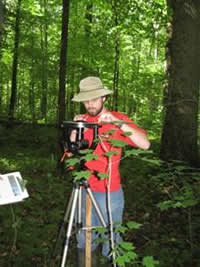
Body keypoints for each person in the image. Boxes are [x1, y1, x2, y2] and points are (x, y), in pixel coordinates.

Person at [71, 76, 150, 266]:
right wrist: (74, 133)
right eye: (86, 100)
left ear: (103, 98)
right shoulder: (83, 123)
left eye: (94, 99)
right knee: (84, 239)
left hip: (110, 192)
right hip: (83, 192)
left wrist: (116, 122)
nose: (90, 104)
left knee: (112, 242)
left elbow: (145, 144)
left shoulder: (118, 119)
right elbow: (72, 161)